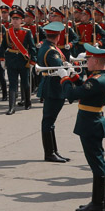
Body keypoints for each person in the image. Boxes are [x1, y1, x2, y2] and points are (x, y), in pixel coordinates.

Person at [60, 43, 105, 211]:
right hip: (93, 122)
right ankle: (99, 201)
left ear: (96, 61)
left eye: (88, 58)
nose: (86, 61)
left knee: (97, 164)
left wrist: (65, 79)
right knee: (98, 163)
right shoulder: (101, 77)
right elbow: (85, 88)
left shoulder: (96, 81)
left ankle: (98, 203)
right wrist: (75, 77)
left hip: (90, 124)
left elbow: (73, 94)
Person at [38, 21, 71, 163]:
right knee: (49, 121)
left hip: (52, 87)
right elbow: (58, 68)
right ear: (58, 36)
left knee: (50, 121)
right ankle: (49, 152)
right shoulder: (51, 50)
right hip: (53, 88)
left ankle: (53, 150)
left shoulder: (48, 46)